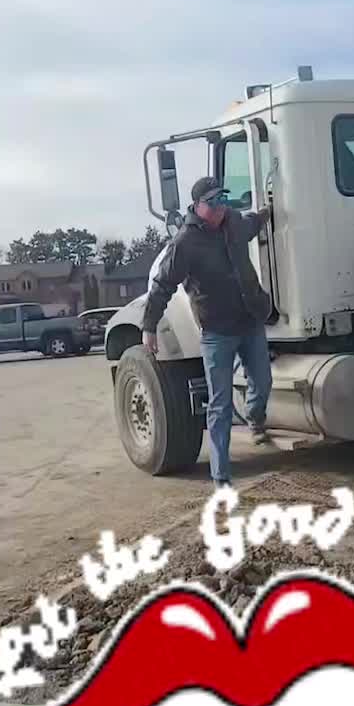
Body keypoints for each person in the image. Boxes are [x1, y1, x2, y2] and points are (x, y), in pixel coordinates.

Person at [142, 176, 273, 488]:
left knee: (263, 381)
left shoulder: (235, 223)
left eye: (222, 199)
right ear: (197, 206)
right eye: (212, 202)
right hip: (217, 332)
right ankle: (221, 476)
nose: (219, 207)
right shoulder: (185, 243)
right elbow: (162, 285)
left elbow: (254, 223)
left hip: (250, 321)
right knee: (220, 405)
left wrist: (270, 209)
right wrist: (149, 327)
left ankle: (255, 417)